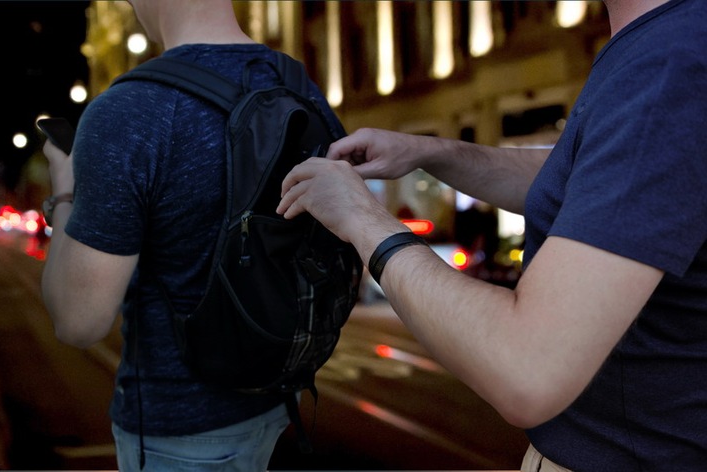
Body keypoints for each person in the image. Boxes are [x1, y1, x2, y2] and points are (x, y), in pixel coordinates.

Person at [277, 0, 707, 470]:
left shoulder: (669, 63)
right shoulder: (665, 42)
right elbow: (591, 179)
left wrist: (363, 218)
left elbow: (529, 368)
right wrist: (432, 152)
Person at [40, 1, 341, 470]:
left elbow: (78, 321)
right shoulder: (297, 82)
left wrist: (63, 191)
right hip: (278, 403)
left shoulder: (128, 111)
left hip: (179, 434)